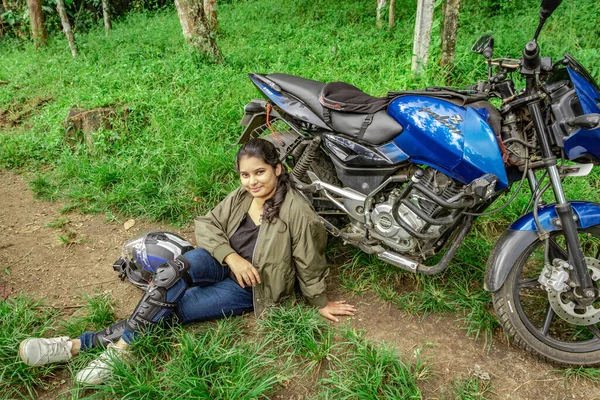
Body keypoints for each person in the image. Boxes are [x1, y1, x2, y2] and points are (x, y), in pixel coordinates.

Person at [18, 138, 356, 385]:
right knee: (170, 274)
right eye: (245, 174)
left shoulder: (297, 211)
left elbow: (309, 260)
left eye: (260, 173)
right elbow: (207, 224)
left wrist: (319, 301)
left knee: (173, 309)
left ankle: (75, 346)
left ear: (277, 169)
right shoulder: (242, 196)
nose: (252, 181)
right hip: (221, 261)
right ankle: (122, 349)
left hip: (253, 287)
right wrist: (231, 256)